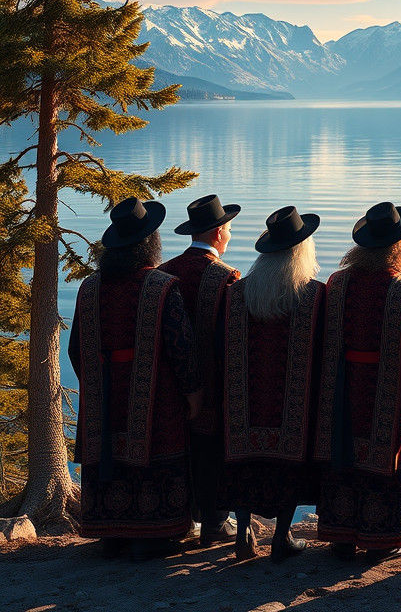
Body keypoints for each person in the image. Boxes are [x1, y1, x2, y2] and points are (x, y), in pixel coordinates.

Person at [69, 197, 202, 560]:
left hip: (103, 389)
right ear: (150, 243)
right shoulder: (162, 286)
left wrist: (95, 381)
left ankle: (110, 531)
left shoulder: (89, 287)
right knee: (153, 449)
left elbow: (75, 348)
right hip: (153, 394)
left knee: (109, 451)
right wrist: (192, 391)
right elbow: (180, 345)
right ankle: (154, 533)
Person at [315, 201, 401, 563]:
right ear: (399, 247)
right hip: (387, 389)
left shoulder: (337, 282)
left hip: (341, 387)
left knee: (342, 452)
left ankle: (340, 535)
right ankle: (385, 538)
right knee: (390, 452)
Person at [220, 205, 325, 562]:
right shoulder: (313, 295)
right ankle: (282, 535)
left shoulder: (237, 293)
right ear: (301, 252)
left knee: (243, 459)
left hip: (243, 400)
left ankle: (244, 530)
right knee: (289, 462)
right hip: (291, 401)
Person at [160, 193, 241, 546]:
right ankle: (215, 520)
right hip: (213, 382)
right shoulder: (225, 277)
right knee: (213, 449)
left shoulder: (164, 273)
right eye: (229, 228)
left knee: (174, 447)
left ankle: (178, 518)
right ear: (220, 231)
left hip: (166, 383)